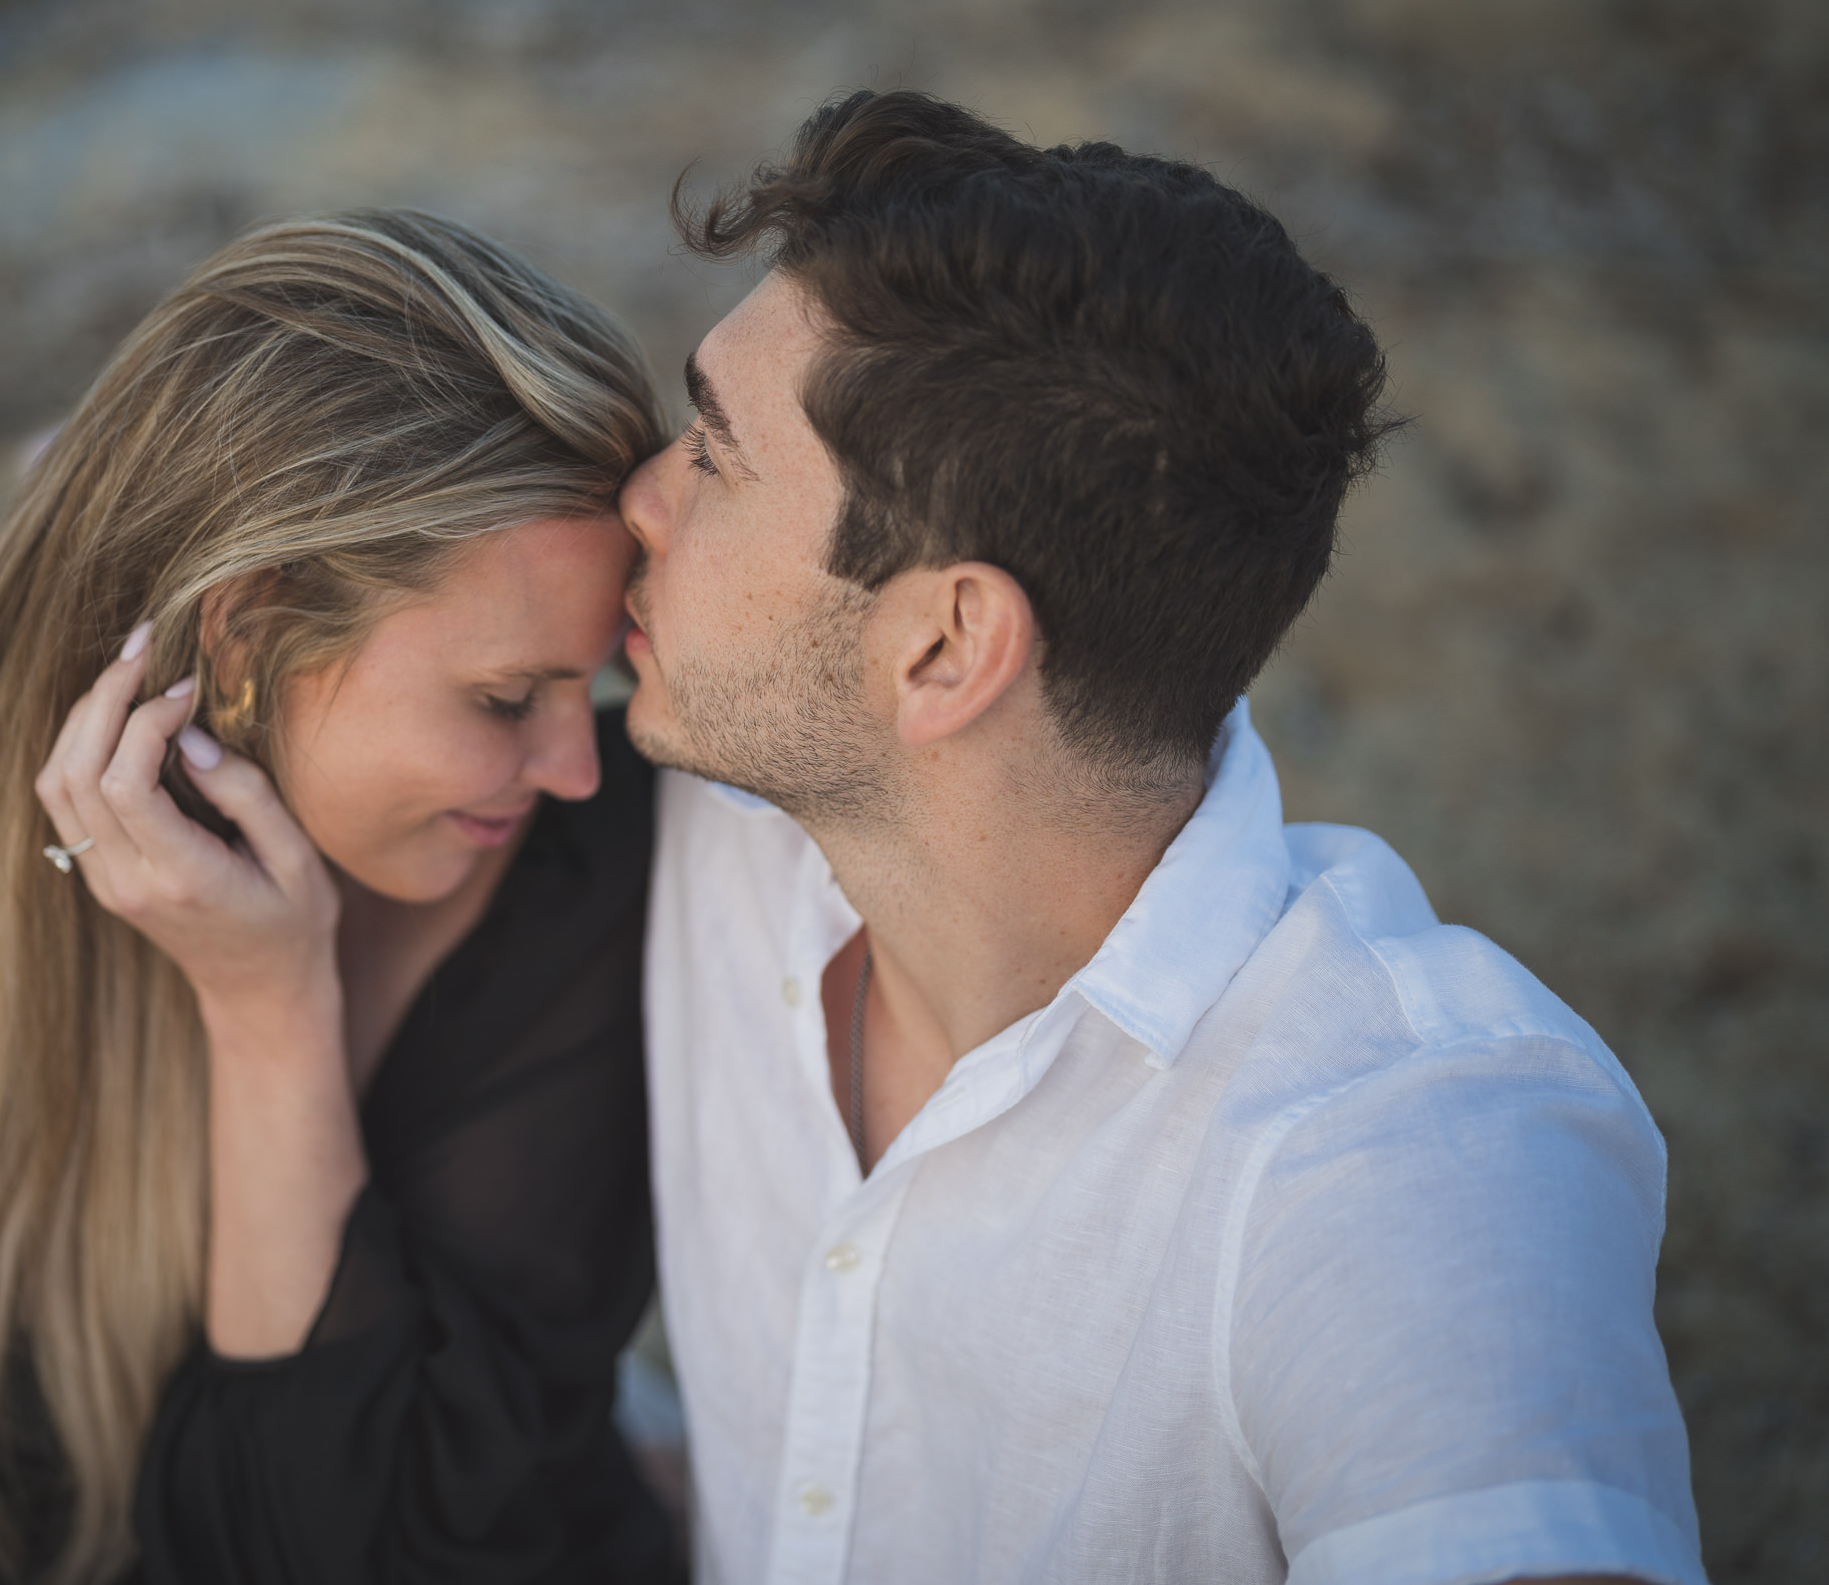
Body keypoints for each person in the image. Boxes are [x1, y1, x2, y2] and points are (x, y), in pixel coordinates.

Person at [619, 92, 1702, 1585]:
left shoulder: (1402, 1147)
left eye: (713, 459)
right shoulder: (711, 816)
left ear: (943, 648)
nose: (638, 500)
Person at [0, 210, 683, 1584]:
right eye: (505, 698)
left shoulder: (570, 892)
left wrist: (269, 1012)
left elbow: (351, 1547)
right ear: (242, 632)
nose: (577, 767)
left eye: (587, 683)